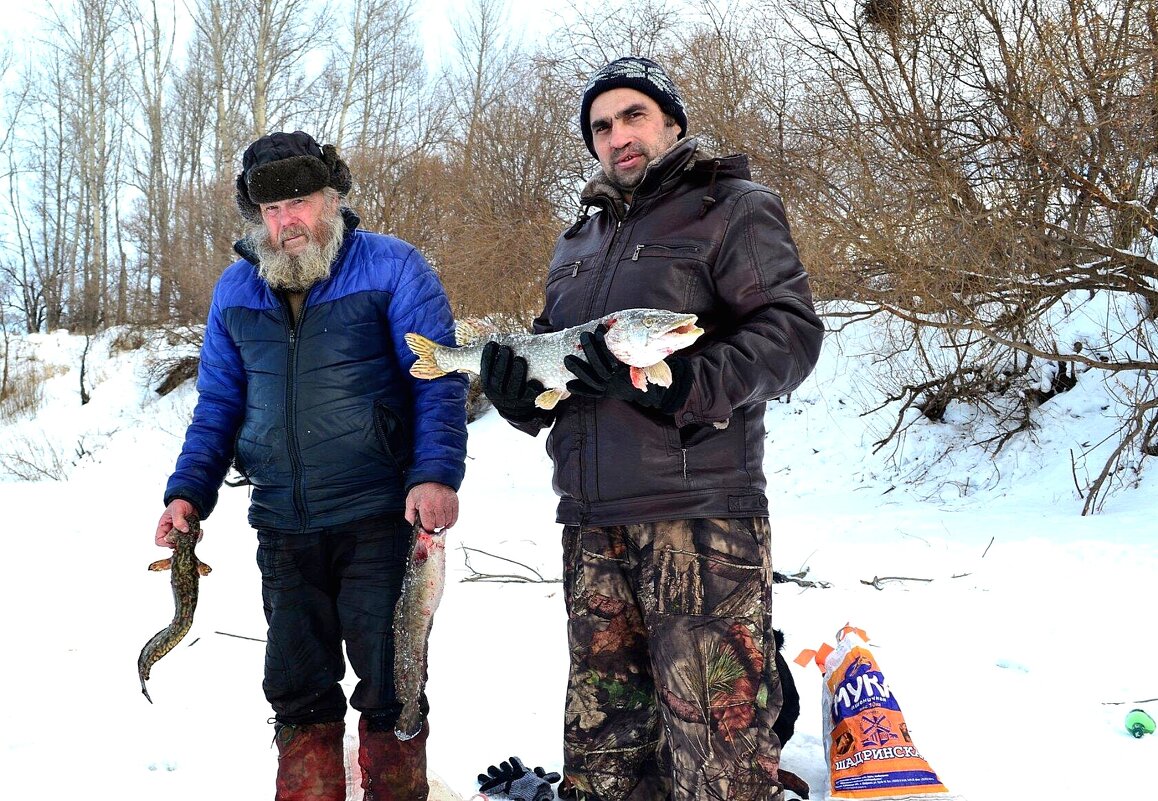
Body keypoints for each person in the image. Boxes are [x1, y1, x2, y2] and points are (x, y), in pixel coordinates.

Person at [479, 57, 824, 801]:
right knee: (605, 760)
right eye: (601, 126)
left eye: (633, 115)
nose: (617, 135)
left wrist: (683, 385)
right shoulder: (578, 244)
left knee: (715, 759)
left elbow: (792, 336)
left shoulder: (732, 207)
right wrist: (518, 398)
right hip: (592, 526)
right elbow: (555, 371)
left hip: (698, 520)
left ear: (671, 122)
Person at [154, 130, 468, 801]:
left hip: (381, 517)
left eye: (297, 201)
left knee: (392, 684)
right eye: (269, 210)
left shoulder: (392, 268)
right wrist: (187, 493)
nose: (284, 221)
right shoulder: (236, 291)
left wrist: (435, 472)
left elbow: (436, 379)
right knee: (297, 688)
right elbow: (217, 406)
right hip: (285, 527)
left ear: (332, 198)